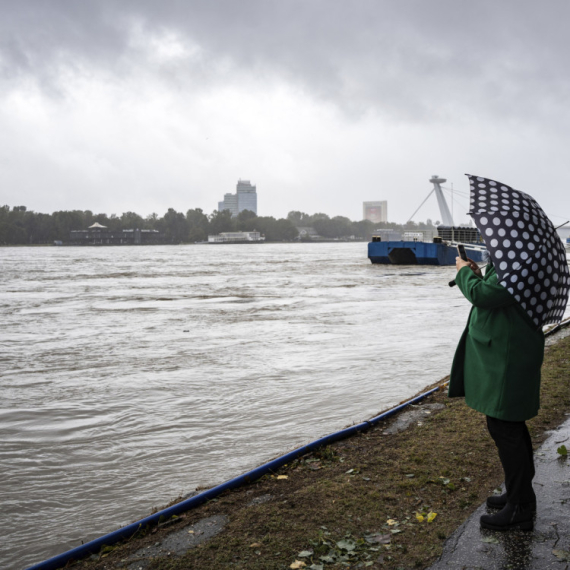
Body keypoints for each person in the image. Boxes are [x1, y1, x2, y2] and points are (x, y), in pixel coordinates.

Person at [449, 254, 545, 531]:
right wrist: (478, 273)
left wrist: (463, 273)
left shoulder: (518, 263)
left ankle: (520, 508)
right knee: (510, 424)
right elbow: (495, 291)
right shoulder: (516, 261)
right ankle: (521, 494)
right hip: (508, 352)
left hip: (507, 357)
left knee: (505, 426)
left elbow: (483, 296)